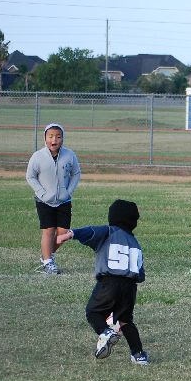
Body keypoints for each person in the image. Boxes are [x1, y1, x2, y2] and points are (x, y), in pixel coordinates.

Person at [56, 200, 148, 365]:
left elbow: (90, 231)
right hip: (130, 287)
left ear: (113, 216)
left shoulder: (108, 231)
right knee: (126, 321)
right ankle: (138, 355)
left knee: (93, 312)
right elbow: (140, 274)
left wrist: (70, 234)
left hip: (109, 282)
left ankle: (106, 332)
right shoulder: (135, 243)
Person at [26, 123, 81, 274]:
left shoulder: (69, 155)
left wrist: (69, 192)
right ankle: (48, 262)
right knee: (49, 230)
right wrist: (41, 193)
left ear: (62, 138)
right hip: (44, 201)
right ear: (45, 138)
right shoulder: (37, 156)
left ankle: (47, 255)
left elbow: (76, 173)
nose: (54, 140)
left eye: (58, 136)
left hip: (64, 200)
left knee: (63, 234)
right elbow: (30, 176)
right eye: (50, 136)